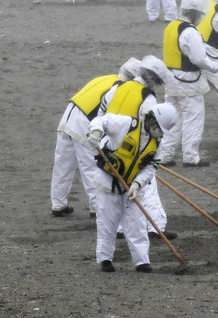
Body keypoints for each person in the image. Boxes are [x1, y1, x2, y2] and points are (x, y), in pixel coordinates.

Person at [86, 102, 177, 273]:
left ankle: (142, 261)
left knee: (137, 224)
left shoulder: (158, 144)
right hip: (107, 181)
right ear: (151, 119)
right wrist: (96, 132)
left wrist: (138, 184)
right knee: (107, 222)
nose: (158, 132)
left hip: (132, 186)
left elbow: (151, 168)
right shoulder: (127, 124)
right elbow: (102, 120)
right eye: (158, 127)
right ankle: (105, 259)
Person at [50, 58, 142, 218]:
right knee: (91, 167)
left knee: (62, 165)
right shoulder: (120, 89)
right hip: (84, 123)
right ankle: (96, 208)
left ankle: (58, 204)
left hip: (67, 117)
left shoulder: (105, 78)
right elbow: (110, 118)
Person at [97, 55, 175, 240]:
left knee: (116, 187)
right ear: (153, 80)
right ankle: (156, 228)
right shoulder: (148, 98)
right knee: (146, 185)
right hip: (132, 148)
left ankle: (120, 229)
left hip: (108, 145)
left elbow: (102, 112)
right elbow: (151, 127)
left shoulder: (118, 87)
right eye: (158, 82)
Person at [158, 0, 218, 166]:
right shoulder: (190, 32)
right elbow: (199, 59)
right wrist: (216, 66)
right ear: (194, 14)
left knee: (172, 119)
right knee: (193, 119)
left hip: (170, 80)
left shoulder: (170, 26)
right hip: (189, 82)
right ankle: (191, 157)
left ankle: (165, 155)